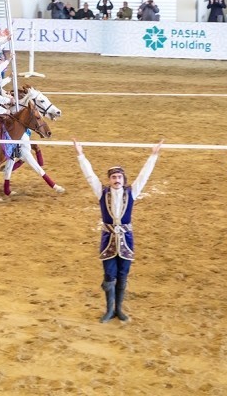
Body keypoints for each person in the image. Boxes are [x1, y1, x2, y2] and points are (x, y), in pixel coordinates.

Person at [73, 138, 164, 323]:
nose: (116, 180)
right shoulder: (102, 192)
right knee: (109, 275)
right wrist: (80, 155)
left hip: (126, 239)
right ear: (109, 180)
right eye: (113, 177)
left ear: (124, 180)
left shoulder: (131, 192)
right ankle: (109, 310)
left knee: (123, 274)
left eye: (119, 177)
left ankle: (119, 309)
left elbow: (144, 176)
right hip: (108, 239)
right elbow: (90, 176)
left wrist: (153, 155)